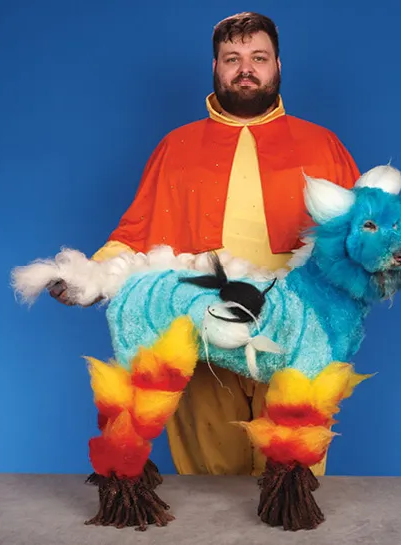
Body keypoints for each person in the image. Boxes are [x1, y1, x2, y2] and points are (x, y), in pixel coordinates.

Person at [50, 11, 361, 477]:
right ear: (215, 67)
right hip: (202, 322)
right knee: (210, 489)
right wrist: (88, 278)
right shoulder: (176, 147)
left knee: (295, 478)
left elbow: (361, 239)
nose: (246, 68)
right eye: (232, 58)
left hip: (296, 329)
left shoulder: (323, 145)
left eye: (259, 57)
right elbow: (136, 234)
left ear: (279, 64)